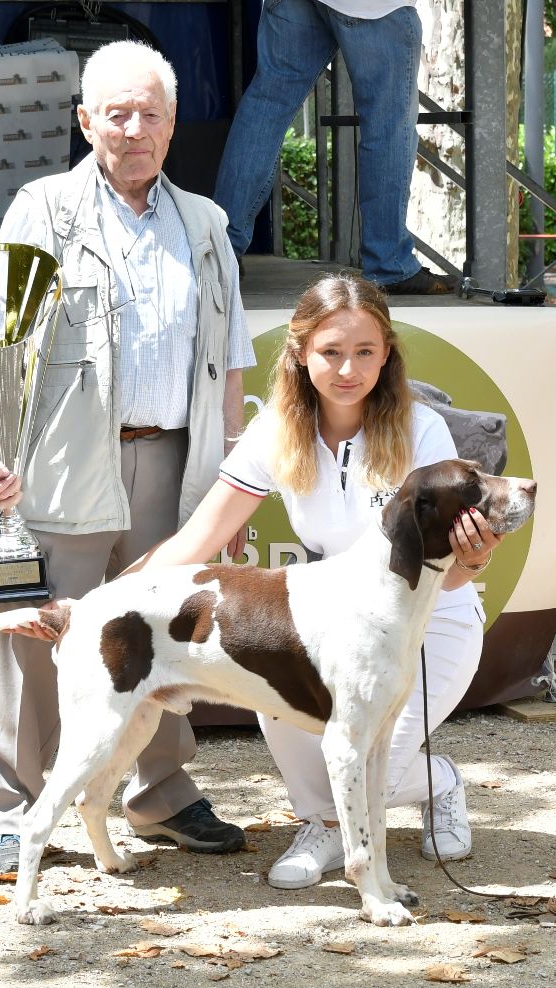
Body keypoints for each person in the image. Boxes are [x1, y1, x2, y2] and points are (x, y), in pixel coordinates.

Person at [0, 39, 256, 876]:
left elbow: (230, 358)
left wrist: (230, 474)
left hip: (175, 463)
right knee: (29, 634)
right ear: (85, 120)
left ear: (172, 125)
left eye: (150, 114)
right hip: (58, 463)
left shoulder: (206, 224)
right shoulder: (43, 209)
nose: (134, 129)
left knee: (166, 635)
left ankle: (159, 794)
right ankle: (9, 808)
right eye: (116, 114)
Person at [112, 273, 502, 888]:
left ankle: (440, 782)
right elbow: (197, 541)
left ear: (387, 354)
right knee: (282, 698)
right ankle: (323, 825)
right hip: (320, 632)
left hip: (430, 625)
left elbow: (451, 578)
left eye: (365, 352)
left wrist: (474, 560)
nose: (349, 368)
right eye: (331, 351)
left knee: (375, 761)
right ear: (300, 353)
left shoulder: (422, 430)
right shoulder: (276, 430)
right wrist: (102, 604)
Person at [213, 1, 456, 296]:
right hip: (373, 8)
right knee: (388, 128)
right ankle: (388, 262)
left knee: (267, 107)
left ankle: (219, 247)